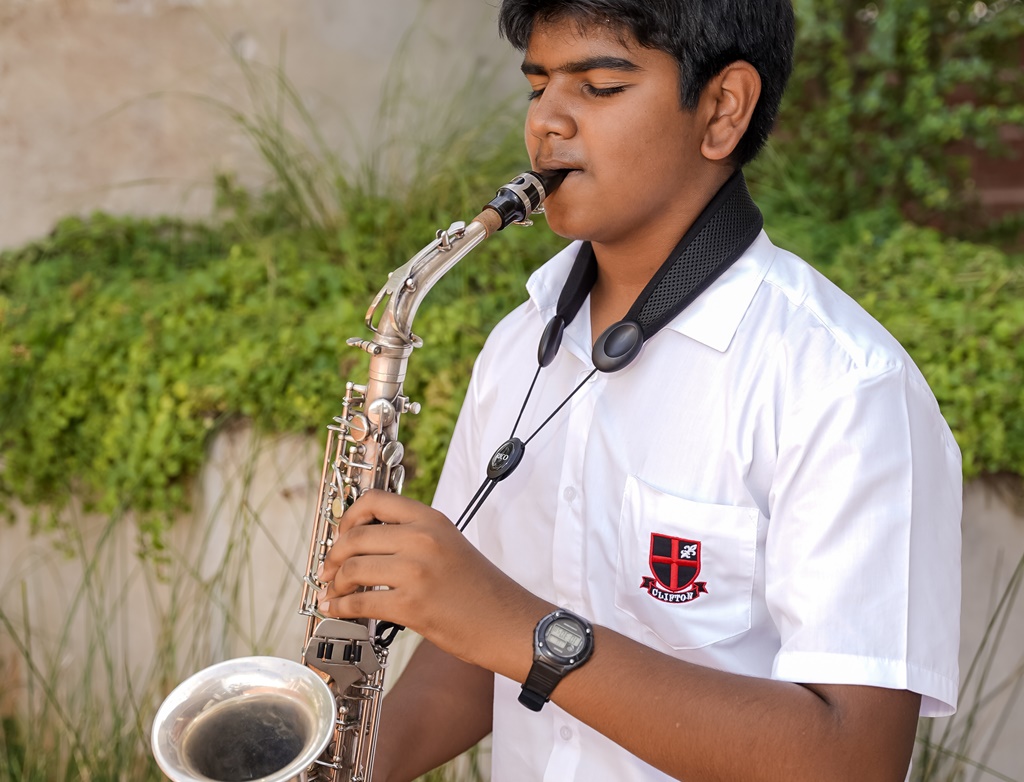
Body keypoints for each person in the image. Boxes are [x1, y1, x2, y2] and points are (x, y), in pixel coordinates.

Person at [318, 1, 963, 780]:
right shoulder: (517, 348)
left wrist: (521, 632)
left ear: (722, 110)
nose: (547, 123)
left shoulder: (845, 387)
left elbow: (852, 760)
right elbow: (470, 644)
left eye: (597, 88)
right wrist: (334, 760)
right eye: (537, 86)